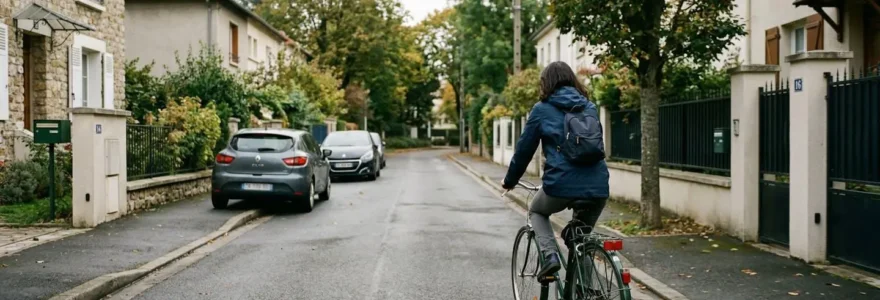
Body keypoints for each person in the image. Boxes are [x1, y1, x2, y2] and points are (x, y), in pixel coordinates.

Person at [501, 61, 610, 278]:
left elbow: (524, 151)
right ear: (572, 80)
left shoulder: (541, 110)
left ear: (546, 83)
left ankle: (550, 256)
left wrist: (510, 181)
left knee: (537, 211)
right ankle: (586, 289)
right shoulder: (588, 106)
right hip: (597, 186)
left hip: (560, 184)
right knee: (580, 240)